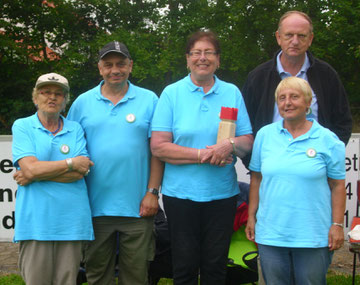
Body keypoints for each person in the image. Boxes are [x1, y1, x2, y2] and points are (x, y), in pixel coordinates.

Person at [151, 30, 254, 285]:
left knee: (215, 267)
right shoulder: (171, 94)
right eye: (196, 53)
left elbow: (247, 142)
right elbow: (159, 147)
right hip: (180, 196)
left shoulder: (231, 92)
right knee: (184, 268)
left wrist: (229, 145)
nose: (202, 58)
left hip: (221, 196)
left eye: (209, 52)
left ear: (218, 60)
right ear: (187, 59)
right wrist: (204, 154)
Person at [67, 41, 163, 285]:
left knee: (137, 277)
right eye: (108, 65)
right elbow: (69, 149)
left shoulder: (150, 100)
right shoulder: (82, 103)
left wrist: (152, 192)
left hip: (138, 207)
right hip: (94, 207)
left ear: (130, 66)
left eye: (121, 64)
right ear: (99, 68)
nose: (115, 70)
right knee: (98, 276)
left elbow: (158, 152)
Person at [245, 77, 346, 285]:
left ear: (308, 102)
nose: (287, 102)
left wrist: (336, 225)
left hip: (313, 234)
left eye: (294, 97)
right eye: (281, 98)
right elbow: (256, 179)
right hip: (271, 232)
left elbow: (337, 186)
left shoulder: (327, 139)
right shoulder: (264, 135)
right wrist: (251, 217)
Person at [11, 73, 94, 285]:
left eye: (58, 94)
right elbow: (29, 169)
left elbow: (80, 171)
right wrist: (69, 163)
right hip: (36, 222)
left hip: (72, 221)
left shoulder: (75, 128)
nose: (52, 97)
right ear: (35, 97)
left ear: (65, 101)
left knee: (67, 281)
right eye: (46, 92)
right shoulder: (23, 126)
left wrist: (37, 174)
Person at [242, 10, 352, 151]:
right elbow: (244, 128)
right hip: (270, 165)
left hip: (315, 165)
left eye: (301, 36)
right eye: (289, 35)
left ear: (310, 39)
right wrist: (256, 165)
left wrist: (329, 156)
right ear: (278, 37)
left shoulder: (327, 75)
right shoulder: (257, 78)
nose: (295, 41)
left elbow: (343, 122)